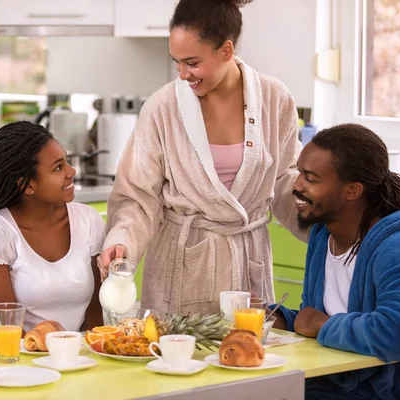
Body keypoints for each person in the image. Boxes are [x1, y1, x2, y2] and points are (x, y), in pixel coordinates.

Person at [97, 0, 306, 314]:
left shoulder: (275, 100)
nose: (183, 75)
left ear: (226, 50)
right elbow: (138, 196)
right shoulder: (162, 107)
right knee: (176, 359)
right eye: (176, 62)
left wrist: (328, 225)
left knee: (245, 355)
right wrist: (122, 241)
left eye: (192, 63)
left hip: (246, 265)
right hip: (181, 269)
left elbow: (287, 179)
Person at [272, 123, 400, 400]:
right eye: (299, 173)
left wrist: (321, 325)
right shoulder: (323, 236)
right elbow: (330, 318)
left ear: (352, 190)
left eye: (311, 178)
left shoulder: (395, 247)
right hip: (323, 382)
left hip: (379, 393)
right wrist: (281, 319)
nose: (296, 185)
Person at [0, 121, 105, 344]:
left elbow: (95, 317)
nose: (71, 171)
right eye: (58, 167)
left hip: (72, 359)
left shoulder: (88, 220)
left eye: (66, 161)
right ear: (27, 185)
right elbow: (8, 329)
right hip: (13, 360)